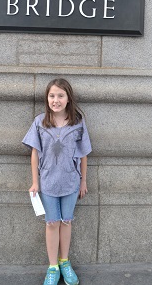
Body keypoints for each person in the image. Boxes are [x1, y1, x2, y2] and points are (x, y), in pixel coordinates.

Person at [22, 78, 92, 285]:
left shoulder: (77, 122)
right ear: (47, 98)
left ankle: (65, 262)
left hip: (71, 182)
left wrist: (83, 181)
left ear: (68, 98)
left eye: (60, 95)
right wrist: (35, 182)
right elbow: (35, 154)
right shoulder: (40, 122)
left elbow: (84, 154)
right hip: (48, 183)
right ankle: (52, 266)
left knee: (66, 221)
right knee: (52, 223)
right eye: (52, 95)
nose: (56, 100)